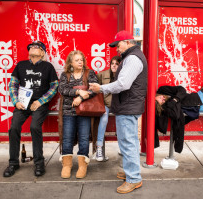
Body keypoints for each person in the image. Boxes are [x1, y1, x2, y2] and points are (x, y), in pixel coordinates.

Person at [89, 30, 147, 194]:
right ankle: (131, 171)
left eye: (118, 45)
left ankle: (134, 179)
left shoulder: (133, 59)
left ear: (128, 42)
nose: (116, 49)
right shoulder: (132, 57)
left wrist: (101, 88)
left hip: (128, 107)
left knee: (128, 143)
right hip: (128, 106)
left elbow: (123, 84)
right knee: (131, 143)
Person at [3, 41, 59, 177]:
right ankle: (13, 163)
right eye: (31, 47)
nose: (33, 48)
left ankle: (39, 163)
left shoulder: (48, 67)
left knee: (34, 127)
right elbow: (13, 85)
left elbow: (54, 86)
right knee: (14, 127)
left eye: (37, 47)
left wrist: (40, 101)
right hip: (22, 103)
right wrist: (15, 102)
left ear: (42, 52)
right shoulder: (21, 65)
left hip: (39, 104)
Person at [58, 50, 98, 179]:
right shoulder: (65, 75)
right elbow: (62, 89)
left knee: (84, 138)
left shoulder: (89, 73)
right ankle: (67, 165)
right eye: (77, 60)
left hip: (85, 111)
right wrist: (78, 92)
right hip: (68, 112)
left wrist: (81, 98)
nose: (80, 62)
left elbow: (95, 89)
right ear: (70, 62)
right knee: (67, 138)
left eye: (81, 59)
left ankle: (82, 165)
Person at [93, 56, 122, 161]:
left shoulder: (123, 75)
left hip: (119, 104)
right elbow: (95, 88)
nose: (114, 65)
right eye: (112, 63)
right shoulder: (103, 74)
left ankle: (122, 148)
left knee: (121, 122)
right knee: (104, 119)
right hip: (105, 103)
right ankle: (99, 148)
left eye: (116, 63)